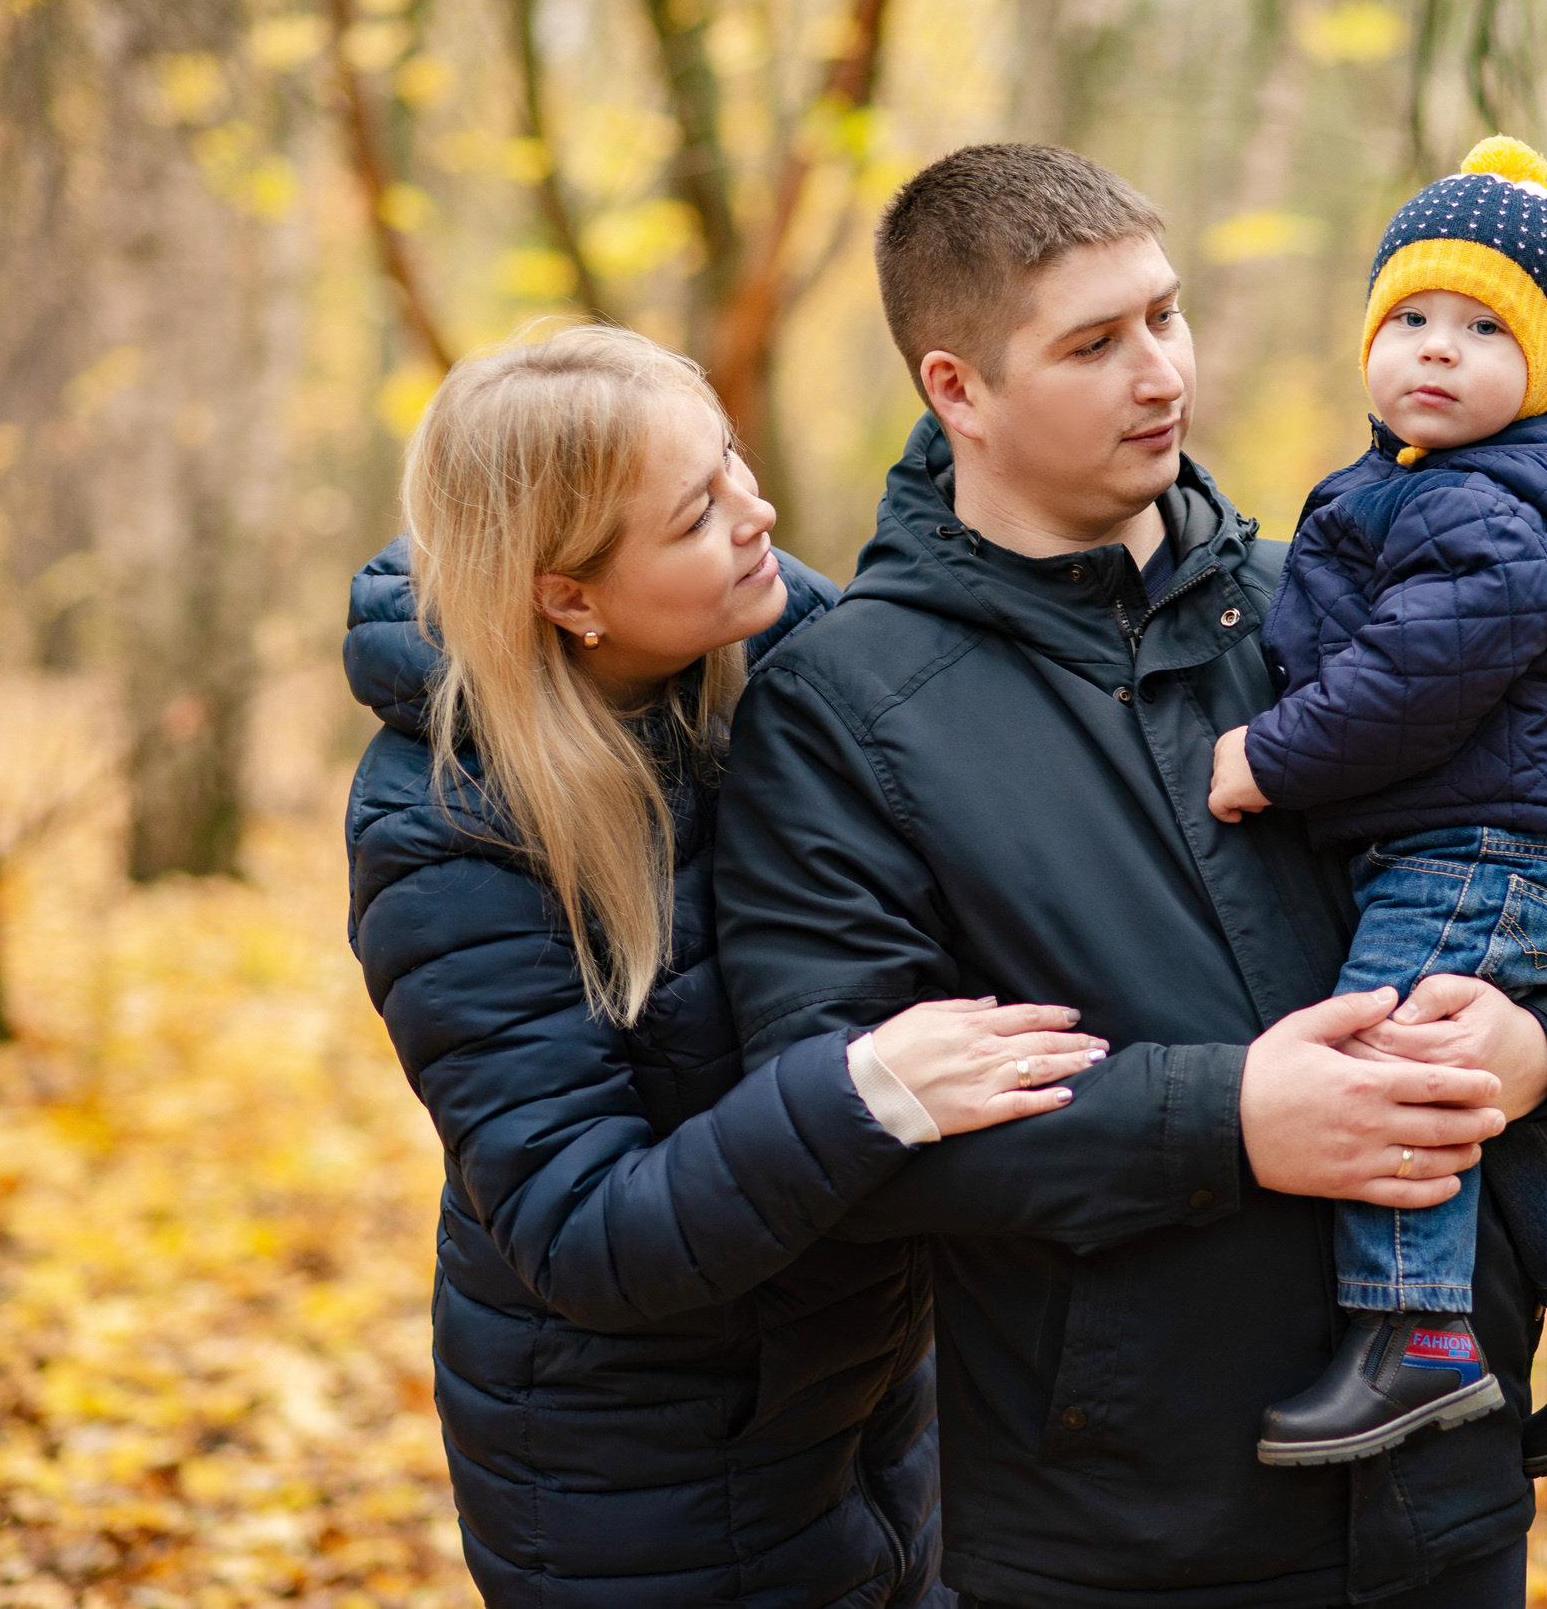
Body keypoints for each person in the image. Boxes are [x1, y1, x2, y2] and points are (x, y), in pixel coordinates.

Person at [713, 143, 1547, 1609]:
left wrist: (1540, 1042)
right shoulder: (846, 703)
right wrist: (1230, 1120)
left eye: (1163, 316)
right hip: (1128, 1529)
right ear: (955, 389)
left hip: (1448, 1487)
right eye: (1094, 345)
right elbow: (839, 1126)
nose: (1160, 372)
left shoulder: (1339, 606)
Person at [342, 324, 1108, 1607]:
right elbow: (578, 1228)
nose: (755, 514)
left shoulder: (784, 650)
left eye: (734, 464)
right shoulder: (453, 830)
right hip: (635, 1480)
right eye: (696, 513)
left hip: (867, 1392)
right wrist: (867, 1092)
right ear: (567, 594)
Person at [1206, 137, 1547, 1476]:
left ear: (1544, 369)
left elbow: (1408, 678)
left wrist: (1264, 754)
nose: (1437, 351)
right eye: (1411, 319)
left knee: (1396, 1058)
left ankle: (1416, 1334)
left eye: (1486, 329)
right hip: (1485, 842)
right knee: (1472, 1080)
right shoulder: (1444, 486)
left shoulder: (1483, 506)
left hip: (1477, 847)